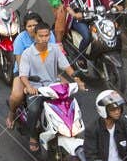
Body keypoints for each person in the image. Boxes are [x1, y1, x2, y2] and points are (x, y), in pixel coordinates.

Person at [8, 19, 80, 152]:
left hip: (53, 87)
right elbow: (23, 74)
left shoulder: (55, 50)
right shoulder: (27, 53)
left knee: (67, 104)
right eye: (41, 36)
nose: (44, 38)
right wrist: (29, 86)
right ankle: (32, 136)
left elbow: (66, 66)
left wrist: (76, 78)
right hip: (37, 89)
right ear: (35, 36)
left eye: (47, 35)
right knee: (34, 109)